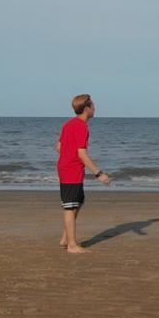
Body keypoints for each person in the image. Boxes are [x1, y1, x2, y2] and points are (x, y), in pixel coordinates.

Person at [56, 94, 112, 253]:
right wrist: (99, 173)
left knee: (78, 201)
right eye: (93, 105)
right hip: (70, 170)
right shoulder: (81, 126)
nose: (95, 108)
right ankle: (72, 246)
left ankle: (66, 238)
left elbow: (58, 147)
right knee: (69, 206)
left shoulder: (68, 124)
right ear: (87, 108)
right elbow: (82, 154)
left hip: (67, 168)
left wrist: (68, 156)